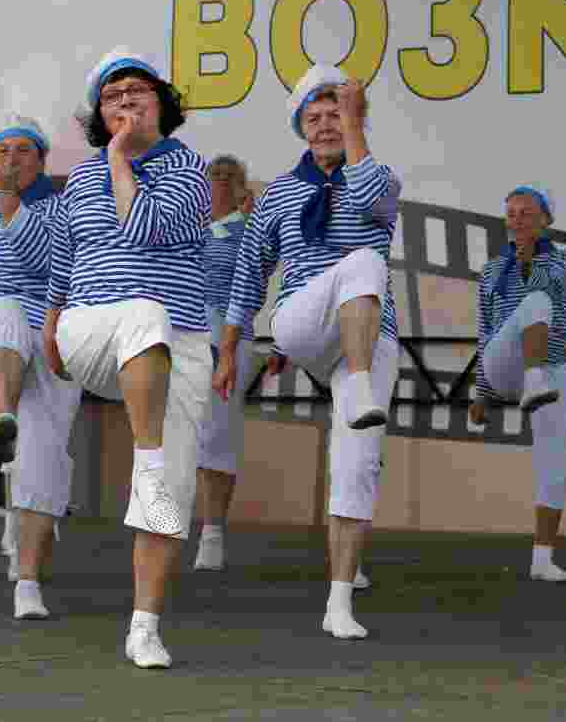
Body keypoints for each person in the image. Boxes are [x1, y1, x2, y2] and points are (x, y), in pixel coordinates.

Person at [214, 62, 401, 640]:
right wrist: (228, 352)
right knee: (365, 261)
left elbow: (374, 199)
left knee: (359, 460)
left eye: (335, 115)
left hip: (367, 333)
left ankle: (339, 600)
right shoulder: (277, 196)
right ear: (300, 127)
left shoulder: (379, 176)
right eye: (315, 118)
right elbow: (248, 276)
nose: (326, 126)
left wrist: (355, 129)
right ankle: (364, 383)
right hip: (302, 321)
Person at [42, 47, 212, 668]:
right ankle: (145, 457)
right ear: (99, 115)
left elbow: (146, 228)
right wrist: (51, 319)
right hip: (93, 325)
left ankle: (144, 626)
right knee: (143, 310)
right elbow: (64, 253)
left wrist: (121, 163)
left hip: (179, 339)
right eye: (112, 98)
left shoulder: (189, 169)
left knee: (172, 488)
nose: (124, 103)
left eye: (137, 92)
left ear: (162, 105)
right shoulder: (84, 176)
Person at [0, 113, 82, 619]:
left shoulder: (64, 209)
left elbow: (47, 264)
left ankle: (29, 583)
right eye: (2, 151)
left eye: (22, 151)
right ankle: (3, 417)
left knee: (46, 457)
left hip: (52, 336)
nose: (10, 159)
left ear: (41, 161)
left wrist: (11, 205)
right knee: (4, 311)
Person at [469, 185, 566, 582]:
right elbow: (484, 329)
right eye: (511, 213)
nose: (517, 220)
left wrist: (530, 258)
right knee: (534, 305)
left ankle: (543, 558)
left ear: (545, 220)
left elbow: (554, 287)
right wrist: (481, 391)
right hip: (504, 365)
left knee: (555, 466)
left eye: (526, 213)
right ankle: (529, 380)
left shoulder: (564, 259)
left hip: (551, 371)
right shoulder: (493, 269)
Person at [193, 155, 253, 571]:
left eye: (227, 177)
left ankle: (213, 532)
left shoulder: (247, 233)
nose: (218, 182)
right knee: (175, 439)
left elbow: (249, 292)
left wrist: (227, 349)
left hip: (226, 339)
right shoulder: (185, 232)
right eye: (212, 175)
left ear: (240, 189)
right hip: (183, 338)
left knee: (218, 436)